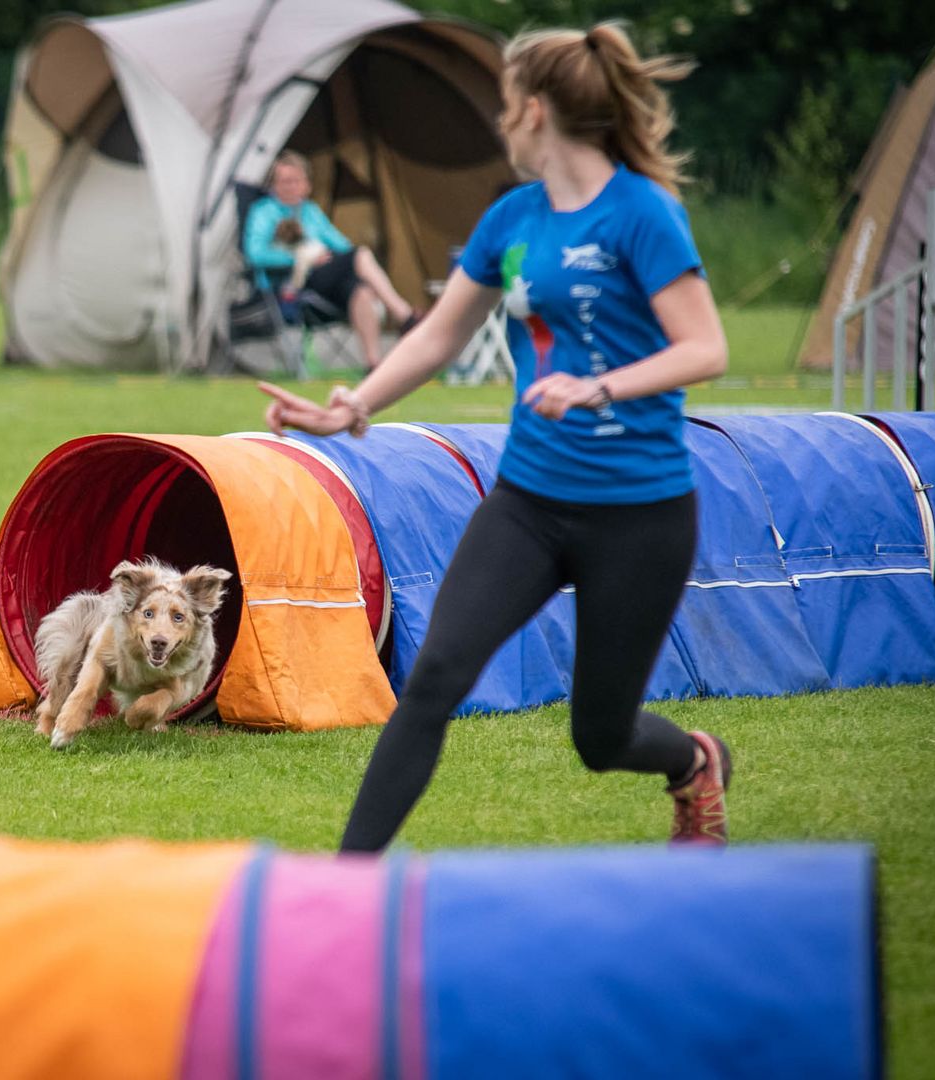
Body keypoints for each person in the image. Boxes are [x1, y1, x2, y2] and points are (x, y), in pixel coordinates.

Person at [259, 22, 733, 851]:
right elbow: (438, 336)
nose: (500, 120)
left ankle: (693, 761)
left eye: (507, 104)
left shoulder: (642, 214)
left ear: (536, 112)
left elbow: (706, 348)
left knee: (601, 736)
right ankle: (344, 884)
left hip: (639, 513)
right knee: (434, 676)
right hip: (528, 502)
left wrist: (600, 386)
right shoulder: (512, 217)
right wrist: (351, 408)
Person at [243, 151, 419, 369]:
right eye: (284, 181)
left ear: (307, 185)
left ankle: (373, 365)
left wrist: (331, 260)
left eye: (295, 181)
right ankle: (405, 316)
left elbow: (343, 246)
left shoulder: (311, 212)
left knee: (361, 289)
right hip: (291, 288)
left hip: (325, 284)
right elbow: (255, 255)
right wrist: (297, 258)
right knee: (361, 255)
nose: (290, 187)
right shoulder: (263, 212)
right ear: (273, 185)